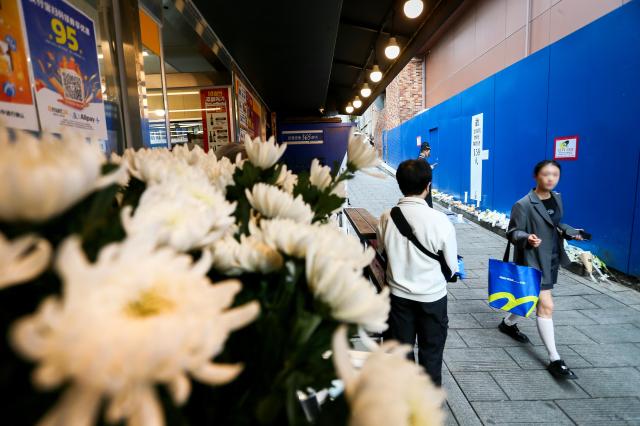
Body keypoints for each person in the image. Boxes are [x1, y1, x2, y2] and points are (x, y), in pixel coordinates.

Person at [498, 160, 584, 379]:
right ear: (536, 176)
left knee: (529, 297)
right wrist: (527, 237)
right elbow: (512, 232)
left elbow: (554, 224)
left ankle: (508, 324)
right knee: (546, 305)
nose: (551, 178)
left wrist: (569, 231)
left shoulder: (557, 198)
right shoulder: (524, 204)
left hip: (552, 258)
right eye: (546, 174)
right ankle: (555, 359)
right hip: (533, 259)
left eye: (555, 174)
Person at [377, 159, 458, 386]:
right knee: (431, 353)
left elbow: (382, 251)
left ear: (400, 184)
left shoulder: (386, 217)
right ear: (428, 186)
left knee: (400, 356)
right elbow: (451, 267)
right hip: (432, 298)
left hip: (398, 299)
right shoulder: (440, 220)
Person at [418, 142, 436, 207]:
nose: (429, 153)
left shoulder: (420, 159)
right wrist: (430, 168)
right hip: (425, 191)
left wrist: (429, 167)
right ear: (425, 150)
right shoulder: (422, 160)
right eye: (428, 151)